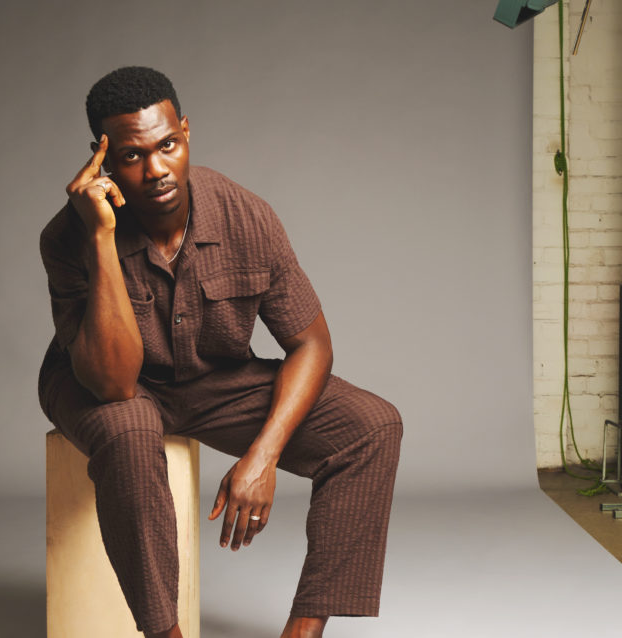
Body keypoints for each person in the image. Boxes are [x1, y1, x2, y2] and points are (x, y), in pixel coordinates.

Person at [38, 66, 402, 638]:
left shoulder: (245, 216)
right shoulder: (68, 237)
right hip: (103, 383)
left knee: (372, 427)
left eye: (168, 145)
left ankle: (304, 631)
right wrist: (101, 236)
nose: (156, 170)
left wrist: (262, 457)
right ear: (101, 159)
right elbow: (112, 382)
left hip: (213, 380)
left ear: (186, 131)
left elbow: (311, 343)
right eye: (132, 156)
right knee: (128, 429)